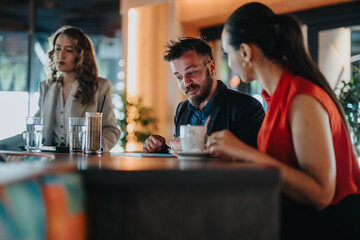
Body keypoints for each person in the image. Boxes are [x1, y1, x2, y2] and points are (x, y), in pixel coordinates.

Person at [208, 2, 360, 239]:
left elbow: (320, 194)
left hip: (329, 225)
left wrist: (244, 151)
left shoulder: (302, 98)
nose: (228, 63)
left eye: (228, 54)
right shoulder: (277, 95)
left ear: (246, 53)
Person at [0, 26, 120, 152]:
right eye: (57, 49)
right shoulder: (46, 87)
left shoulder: (100, 86)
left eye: (69, 50)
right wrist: (2, 144)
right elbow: (33, 132)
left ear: (81, 55)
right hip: (49, 159)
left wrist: (94, 148)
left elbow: (111, 130)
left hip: (82, 159)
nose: (61, 55)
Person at [143, 37, 264, 153]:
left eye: (191, 72)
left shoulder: (246, 106)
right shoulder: (182, 109)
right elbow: (183, 157)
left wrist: (207, 145)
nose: (186, 83)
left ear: (211, 68)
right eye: (179, 77)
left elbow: (252, 162)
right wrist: (161, 149)